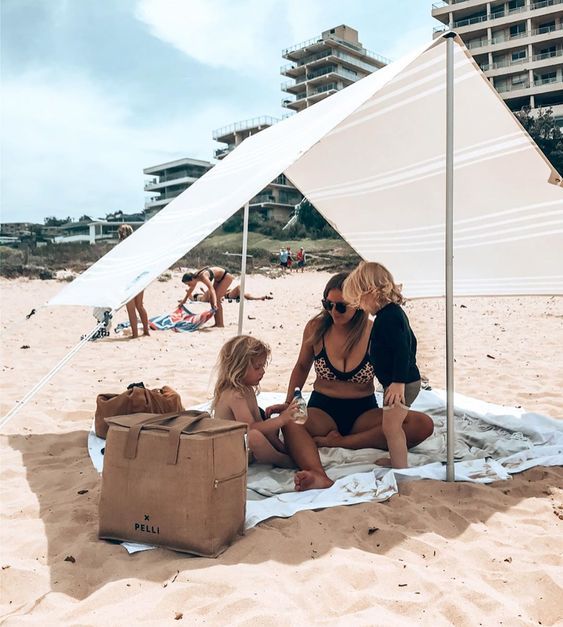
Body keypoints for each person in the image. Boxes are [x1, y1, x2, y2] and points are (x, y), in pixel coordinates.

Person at [266, 272, 433, 489]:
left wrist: (400, 382)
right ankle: (318, 475)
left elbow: (406, 347)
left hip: (363, 411)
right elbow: (301, 366)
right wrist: (290, 401)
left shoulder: (375, 330)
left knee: (422, 424)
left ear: (357, 303)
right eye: (328, 304)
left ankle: (341, 442)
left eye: (341, 306)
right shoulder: (316, 327)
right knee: (288, 420)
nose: (334, 311)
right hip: (322, 409)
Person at [342, 261, 423, 469]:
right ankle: (397, 459)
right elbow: (412, 342)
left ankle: (400, 466)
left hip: (401, 383)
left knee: (391, 427)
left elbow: (403, 350)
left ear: (371, 292)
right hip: (400, 381)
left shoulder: (389, 317)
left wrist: (398, 381)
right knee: (391, 426)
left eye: (360, 300)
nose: (360, 307)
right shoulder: (391, 314)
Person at [213, 335, 299, 467]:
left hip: (244, 445)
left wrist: (281, 446)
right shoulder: (235, 395)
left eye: (263, 366)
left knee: (269, 426)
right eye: (257, 367)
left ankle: (281, 453)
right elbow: (251, 428)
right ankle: (279, 460)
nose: (262, 372)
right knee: (255, 435)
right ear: (238, 368)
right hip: (229, 451)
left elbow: (259, 423)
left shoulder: (247, 390)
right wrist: (282, 420)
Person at [118, 225, 150, 339]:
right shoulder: (138, 246)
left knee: (131, 308)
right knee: (140, 306)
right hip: (140, 278)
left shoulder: (121, 248)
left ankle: (135, 335)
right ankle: (146, 331)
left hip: (129, 280)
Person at [192, 283, 273, 302]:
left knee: (246, 294)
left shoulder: (206, 294)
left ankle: (260, 298)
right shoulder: (206, 295)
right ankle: (243, 299)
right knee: (239, 287)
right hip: (228, 295)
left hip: (230, 293)